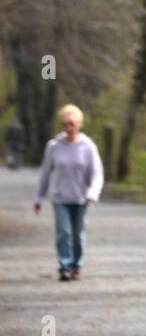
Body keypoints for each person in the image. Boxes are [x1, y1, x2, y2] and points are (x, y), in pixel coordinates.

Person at [34, 104, 104, 281]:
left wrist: (93, 193)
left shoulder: (88, 147)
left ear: (79, 124)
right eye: (65, 124)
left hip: (81, 198)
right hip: (60, 197)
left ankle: (76, 266)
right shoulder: (54, 146)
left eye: (72, 124)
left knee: (78, 234)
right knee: (63, 232)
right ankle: (64, 266)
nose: (69, 128)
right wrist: (38, 198)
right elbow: (45, 173)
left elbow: (97, 173)